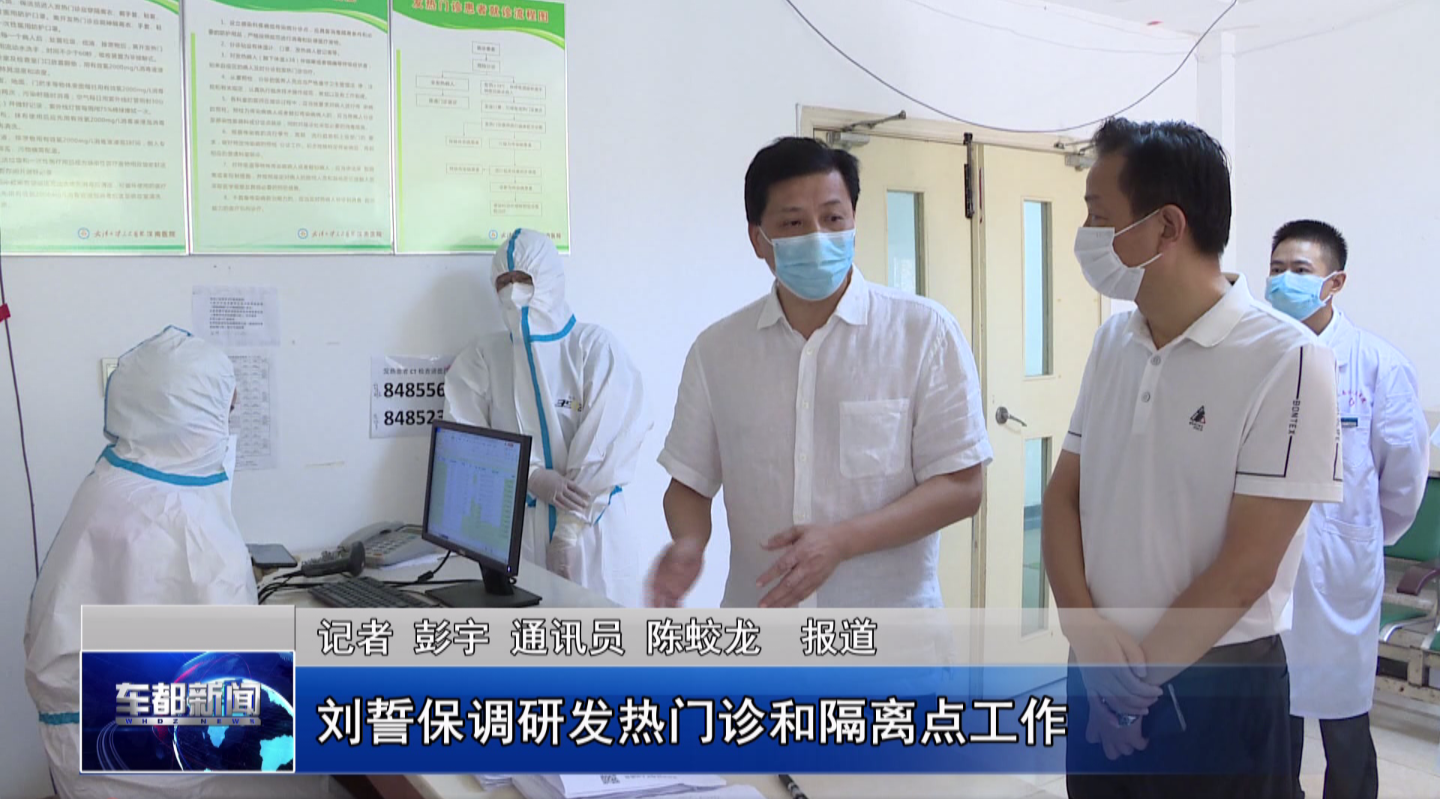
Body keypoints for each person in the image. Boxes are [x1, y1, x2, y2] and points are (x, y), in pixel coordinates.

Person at [1044, 119, 1342, 798]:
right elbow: (1063, 495)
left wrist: (1131, 691)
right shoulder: (1114, 342)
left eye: (1099, 215)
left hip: (1214, 684)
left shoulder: (1289, 360)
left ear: (1166, 227)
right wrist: (1085, 632)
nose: (1087, 235)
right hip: (1099, 669)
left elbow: (1246, 569)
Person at [649, 136, 991, 609]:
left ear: (853, 222)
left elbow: (962, 487)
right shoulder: (717, 351)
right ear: (758, 239)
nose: (817, 236)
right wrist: (689, 542)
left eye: (833, 218)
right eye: (793, 223)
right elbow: (689, 483)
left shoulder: (924, 333)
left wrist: (843, 541)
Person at [23, 326, 332, 799]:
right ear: (193, 420)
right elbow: (240, 673)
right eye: (225, 410)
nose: (229, 422)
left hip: (86, 727)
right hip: (137, 762)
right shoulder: (186, 521)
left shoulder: (118, 479)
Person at [1267, 220, 1429, 799]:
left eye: (1300, 270)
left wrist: (1359, 536)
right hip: (1266, 566)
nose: (1284, 281)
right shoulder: (1258, 354)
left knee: (1344, 723)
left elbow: (1404, 478)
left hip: (1340, 568)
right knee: (1273, 720)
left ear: (1334, 282)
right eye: (1276, 269)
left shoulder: (1377, 365)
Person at [446, 228, 649, 604]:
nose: (513, 292)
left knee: (600, 634)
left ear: (550, 278)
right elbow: (463, 442)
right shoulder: (484, 359)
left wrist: (568, 532)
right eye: (503, 282)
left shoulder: (594, 350)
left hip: (592, 534)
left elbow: (610, 444)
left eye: (524, 279)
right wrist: (529, 474)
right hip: (519, 532)